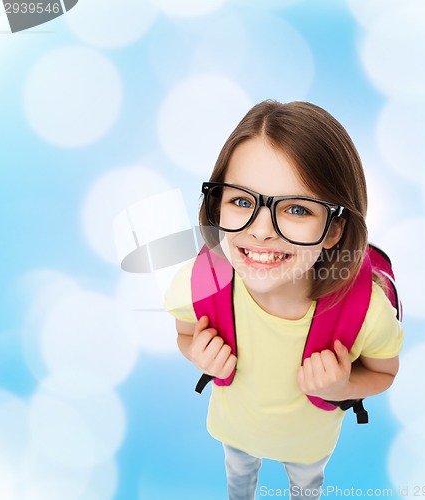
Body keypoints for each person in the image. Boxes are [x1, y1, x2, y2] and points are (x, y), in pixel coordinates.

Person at [164, 100, 403, 499]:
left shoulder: (368, 312)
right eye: (241, 201)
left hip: (308, 445)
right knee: (239, 476)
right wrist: (196, 353)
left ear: (333, 230)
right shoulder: (199, 280)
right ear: (216, 203)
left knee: (306, 486)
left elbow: (385, 372)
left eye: (295, 208)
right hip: (235, 430)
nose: (260, 232)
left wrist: (343, 385)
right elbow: (184, 331)